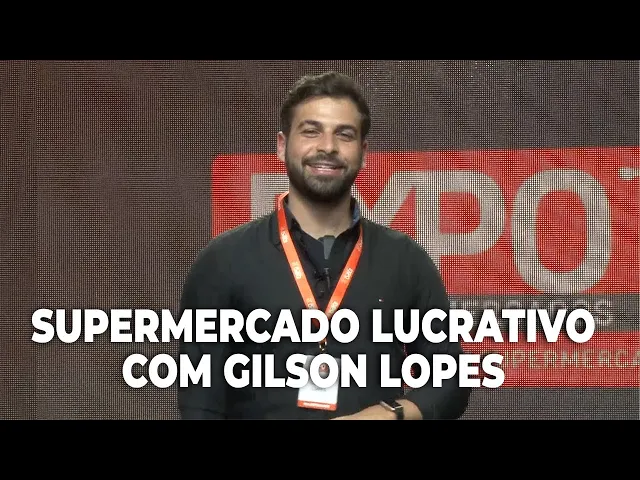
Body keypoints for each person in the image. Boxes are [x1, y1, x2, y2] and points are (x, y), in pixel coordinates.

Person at [177, 71, 471, 420]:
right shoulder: (222, 260)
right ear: (282, 145)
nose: (328, 147)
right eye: (311, 131)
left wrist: (387, 415)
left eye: (344, 134)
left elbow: (450, 381)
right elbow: (200, 404)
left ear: (363, 152)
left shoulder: (406, 260)